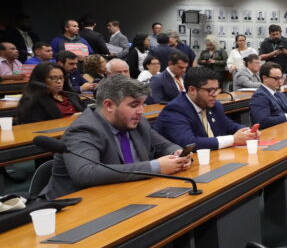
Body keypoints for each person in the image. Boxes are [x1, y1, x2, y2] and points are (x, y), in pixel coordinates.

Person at [41, 75, 191, 200]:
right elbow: (85, 173)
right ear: (109, 105)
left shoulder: (137, 122)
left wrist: (177, 154)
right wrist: (155, 167)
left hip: (129, 194)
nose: (141, 111)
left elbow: (165, 146)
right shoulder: (83, 130)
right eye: (134, 105)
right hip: (77, 207)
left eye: (142, 104)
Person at [154, 67, 256, 150]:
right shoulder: (175, 110)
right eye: (210, 90)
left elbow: (229, 125)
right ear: (192, 90)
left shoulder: (215, 105)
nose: (215, 94)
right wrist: (233, 139)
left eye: (217, 89)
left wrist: (248, 132)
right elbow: (189, 143)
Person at [16, 62, 84, 123]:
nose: (59, 81)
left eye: (61, 77)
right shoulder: (33, 101)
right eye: (53, 78)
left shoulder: (70, 94)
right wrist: (70, 120)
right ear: (41, 80)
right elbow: (35, 126)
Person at [249, 62, 287, 127]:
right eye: (276, 78)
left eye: (281, 78)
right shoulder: (259, 96)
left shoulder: (280, 94)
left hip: (286, 127)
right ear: (265, 78)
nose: (280, 81)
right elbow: (262, 122)